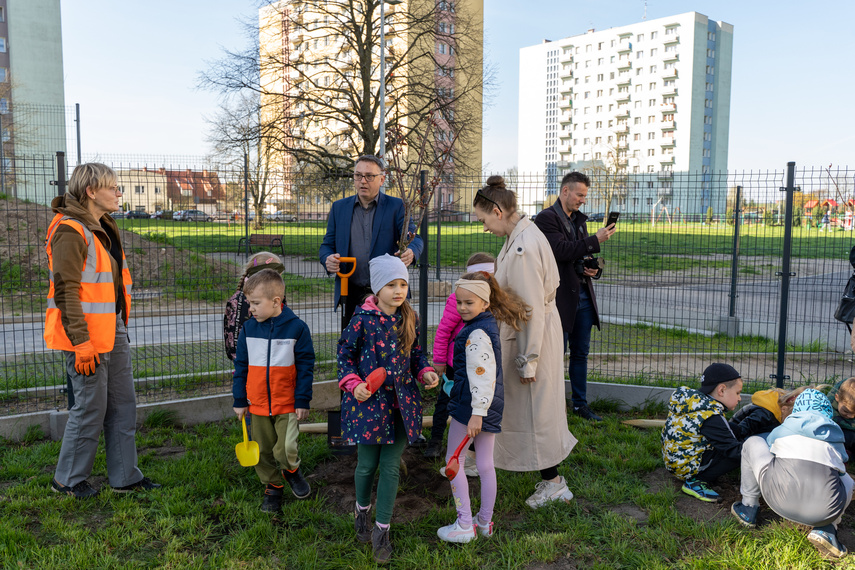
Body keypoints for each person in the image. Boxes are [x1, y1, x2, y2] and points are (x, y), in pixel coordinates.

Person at [45, 162, 160, 498]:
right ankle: (67, 480)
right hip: (87, 338)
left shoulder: (103, 224)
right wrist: (81, 344)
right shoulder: (70, 230)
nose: (119, 193)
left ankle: (125, 476)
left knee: (123, 404)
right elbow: (67, 290)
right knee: (90, 408)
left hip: (113, 329)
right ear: (91, 191)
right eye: (113, 187)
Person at [472, 176, 578, 509]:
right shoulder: (524, 233)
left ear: (498, 210)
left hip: (531, 338)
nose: (484, 227)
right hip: (530, 333)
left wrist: (527, 360)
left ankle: (554, 483)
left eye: (484, 219)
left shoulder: (521, 247)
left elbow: (528, 307)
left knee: (536, 411)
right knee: (526, 409)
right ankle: (482, 457)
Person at [337, 254, 439, 564]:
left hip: (402, 405)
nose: (399, 291)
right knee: (367, 465)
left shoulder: (410, 318)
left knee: (391, 466)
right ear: (377, 287)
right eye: (391, 284)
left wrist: (425, 372)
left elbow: (416, 354)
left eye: (403, 284)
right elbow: (344, 355)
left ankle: (382, 531)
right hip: (369, 405)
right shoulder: (362, 320)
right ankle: (361, 511)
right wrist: (354, 384)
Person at [436, 271, 529, 543]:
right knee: (486, 465)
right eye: (459, 302)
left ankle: (464, 524)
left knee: (454, 461)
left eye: (469, 303)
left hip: (471, 410)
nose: (462, 308)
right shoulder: (487, 324)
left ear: (485, 303)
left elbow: (482, 376)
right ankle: (484, 523)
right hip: (486, 406)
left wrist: (476, 414)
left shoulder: (475, 333)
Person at [731, 389, 853, 559]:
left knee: (754, 442)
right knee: (846, 479)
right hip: (823, 511)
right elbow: (843, 460)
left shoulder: (786, 426)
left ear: (797, 409)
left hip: (778, 499)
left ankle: (749, 507)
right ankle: (828, 529)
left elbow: (770, 447)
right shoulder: (835, 434)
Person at [533, 171, 615, 421]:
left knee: (580, 354)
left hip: (583, 297)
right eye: (580, 194)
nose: (583, 200)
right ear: (565, 191)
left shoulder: (579, 219)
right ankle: (552, 406)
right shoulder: (546, 219)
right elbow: (559, 251)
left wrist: (593, 267)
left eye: (585, 195)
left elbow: (579, 255)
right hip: (560, 301)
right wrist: (594, 240)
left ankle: (580, 405)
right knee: (555, 356)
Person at [232, 269, 315, 512]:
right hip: (256, 404)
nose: (251, 309)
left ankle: (291, 469)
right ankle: (272, 486)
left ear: (276, 302)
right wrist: (240, 399)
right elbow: (241, 366)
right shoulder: (248, 330)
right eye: (249, 303)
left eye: (256, 303)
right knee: (263, 449)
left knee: (286, 449)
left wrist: (302, 400)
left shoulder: (297, 329)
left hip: (287, 403)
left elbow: (305, 366)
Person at [318, 155, 424, 326]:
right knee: (352, 349)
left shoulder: (396, 206)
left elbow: (414, 238)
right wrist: (327, 259)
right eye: (358, 175)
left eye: (369, 176)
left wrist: (411, 251)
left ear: (382, 179)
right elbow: (327, 245)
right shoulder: (339, 208)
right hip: (350, 293)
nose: (363, 181)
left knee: (391, 348)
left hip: (387, 295)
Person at [424, 251, 496, 464]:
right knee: (445, 402)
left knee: (476, 403)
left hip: (480, 365)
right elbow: (444, 331)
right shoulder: (459, 299)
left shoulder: (492, 300)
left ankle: (473, 447)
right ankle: (436, 440)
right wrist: (438, 360)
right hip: (456, 364)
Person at [661, 363, 743, 502]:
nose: (740, 398)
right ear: (721, 390)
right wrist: (758, 451)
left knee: (733, 432)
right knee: (737, 455)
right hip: (686, 469)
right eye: (737, 393)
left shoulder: (695, 404)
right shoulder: (711, 416)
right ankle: (697, 481)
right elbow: (733, 451)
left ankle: (699, 472)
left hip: (675, 461)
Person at [223, 252, 285, 361]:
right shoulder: (240, 302)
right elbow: (234, 344)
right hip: (252, 366)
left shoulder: (275, 296)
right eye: (276, 276)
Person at [827, 377, 855, 456]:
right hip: (838, 432)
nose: (851, 416)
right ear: (837, 398)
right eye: (846, 411)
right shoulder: (828, 407)